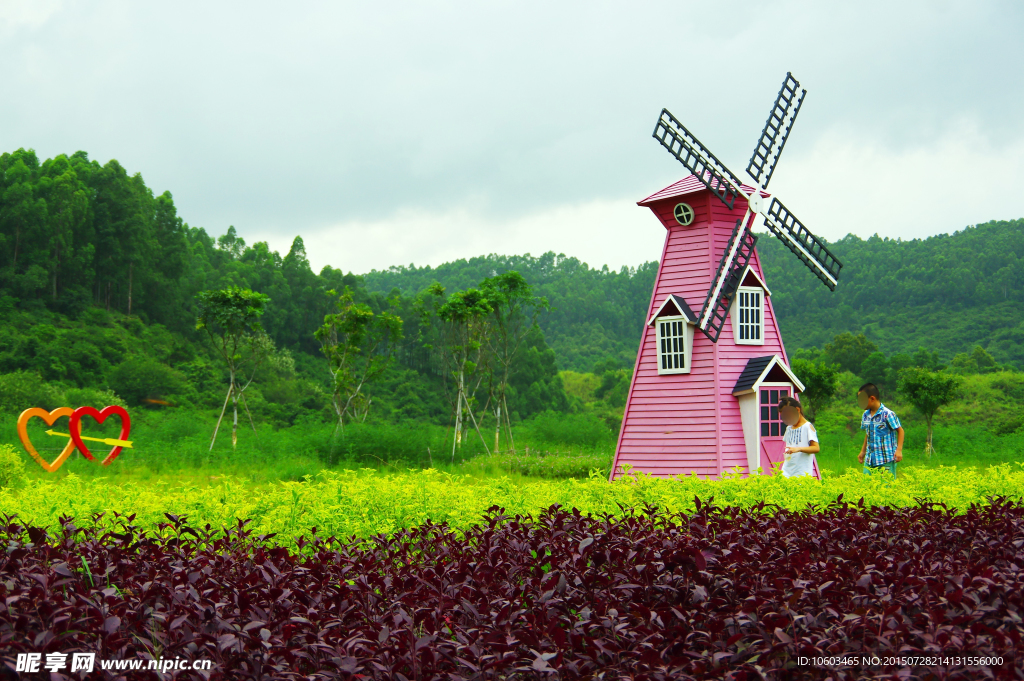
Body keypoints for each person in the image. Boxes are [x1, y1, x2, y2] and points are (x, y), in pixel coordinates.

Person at [857, 383, 904, 479]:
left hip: (885, 459)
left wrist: (899, 450)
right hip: (870, 459)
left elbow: (900, 431)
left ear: (872, 398)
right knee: (867, 486)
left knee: (886, 487)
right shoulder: (865, 415)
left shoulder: (888, 414)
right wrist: (863, 451)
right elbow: (868, 433)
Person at [779, 396, 819, 478]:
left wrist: (799, 449)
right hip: (786, 471)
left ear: (797, 410)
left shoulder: (807, 427)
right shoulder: (789, 428)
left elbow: (816, 448)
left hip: (801, 473)